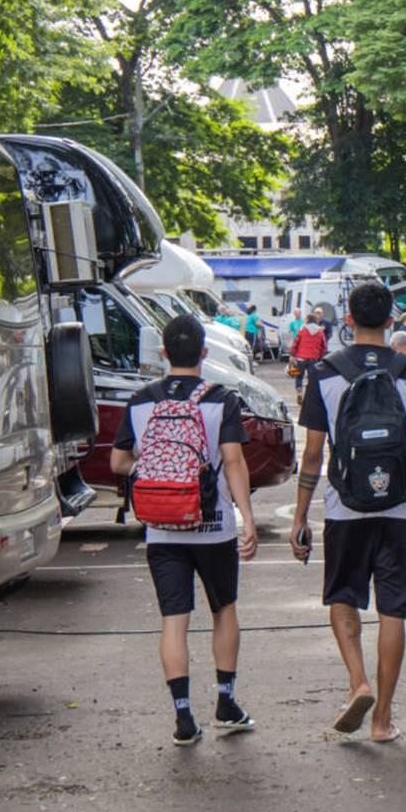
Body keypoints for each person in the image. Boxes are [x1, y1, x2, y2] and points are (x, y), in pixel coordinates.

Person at [290, 281, 406, 743]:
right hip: (402, 505)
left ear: (347, 320)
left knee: (343, 596)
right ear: (390, 321)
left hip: (346, 506)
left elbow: (312, 454)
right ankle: (382, 719)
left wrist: (300, 517)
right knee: (393, 610)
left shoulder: (324, 373)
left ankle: (357, 681)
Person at [110, 315, 260, 746]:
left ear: (163, 355)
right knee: (223, 609)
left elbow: (119, 463)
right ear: (204, 353)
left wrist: (154, 470)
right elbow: (233, 461)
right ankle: (226, 703)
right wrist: (246, 517)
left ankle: (182, 717)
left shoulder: (140, 402)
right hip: (213, 528)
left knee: (173, 621)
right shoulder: (221, 399)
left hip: (161, 528)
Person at [288, 311, 328, 403]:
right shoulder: (320, 331)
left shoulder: (302, 329)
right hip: (313, 359)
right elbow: (324, 346)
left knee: (299, 376)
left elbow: (296, 343)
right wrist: (320, 357)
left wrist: (292, 354)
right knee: (312, 378)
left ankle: (299, 394)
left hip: (301, 358)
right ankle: (309, 397)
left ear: (308, 320)